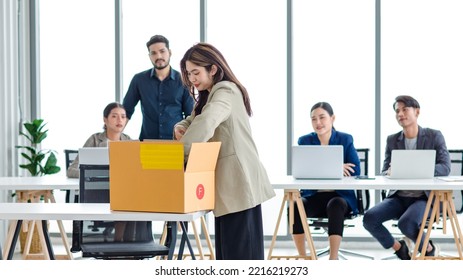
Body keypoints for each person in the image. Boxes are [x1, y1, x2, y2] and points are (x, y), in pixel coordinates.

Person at [173, 42, 275, 260]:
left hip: (237, 184)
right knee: (230, 255)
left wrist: (178, 155)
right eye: (189, 74)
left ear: (213, 69)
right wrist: (182, 126)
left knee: (239, 256)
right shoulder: (211, 94)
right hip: (231, 188)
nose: (192, 79)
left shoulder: (225, 90)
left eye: (196, 72)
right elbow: (197, 118)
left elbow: (208, 120)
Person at [363, 95, 451, 260]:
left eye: (404, 109)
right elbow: (384, 170)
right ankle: (399, 247)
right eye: (397, 111)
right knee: (369, 218)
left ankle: (429, 248)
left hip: (424, 198)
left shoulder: (434, 136)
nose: (400, 114)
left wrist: (417, 169)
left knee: (406, 223)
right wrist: (388, 172)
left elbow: (445, 167)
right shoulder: (392, 140)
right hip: (399, 197)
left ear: (417, 112)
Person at [291, 102, 360, 260]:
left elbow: (356, 170)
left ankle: (333, 258)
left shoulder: (345, 138)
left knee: (335, 204)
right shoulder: (305, 141)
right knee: (295, 205)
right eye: (313, 119)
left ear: (332, 118)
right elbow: (301, 168)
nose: (318, 123)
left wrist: (322, 167)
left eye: (322, 117)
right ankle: (303, 256)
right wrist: (337, 166)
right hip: (313, 196)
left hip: (340, 196)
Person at [67, 102, 136, 242]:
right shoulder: (94, 140)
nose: (120, 120)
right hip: (97, 191)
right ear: (105, 120)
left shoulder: (129, 141)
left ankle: (125, 244)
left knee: (130, 199)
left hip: (120, 191)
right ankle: (118, 243)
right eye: (114, 116)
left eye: (123, 117)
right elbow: (72, 170)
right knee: (123, 201)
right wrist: (92, 176)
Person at [123, 35, 195, 140]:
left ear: (169, 52)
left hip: (175, 143)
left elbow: (190, 114)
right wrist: (113, 139)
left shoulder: (183, 80)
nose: (158, 56)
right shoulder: (139, 80)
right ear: (149, 56)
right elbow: (126, 111)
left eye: (162, 51)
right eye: (153, 53)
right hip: (147, 142)